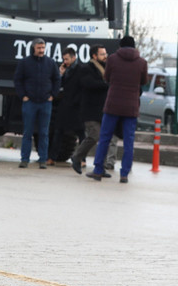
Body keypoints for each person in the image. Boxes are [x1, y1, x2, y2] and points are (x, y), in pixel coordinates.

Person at [86, 36, 147, 183]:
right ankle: (124, 174)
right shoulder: (142, 62)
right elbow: (143, 81)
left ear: (121, 46)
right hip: (131, 107)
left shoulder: (112, 59)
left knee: (105, 138)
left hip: (112, 104)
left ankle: (98, 170)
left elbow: (106, 78)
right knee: (129, 141)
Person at [13, 37, 60, 169]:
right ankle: (24, 159)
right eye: (39, 48)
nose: (41, 50)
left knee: (44, 132)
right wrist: (23, 95)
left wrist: (53, 95)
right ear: (33, 48)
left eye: (43, 48)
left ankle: (43, 160)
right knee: (27, 132)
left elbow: (57, 79)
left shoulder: (50, 63)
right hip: (30, 102)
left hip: (45, 102)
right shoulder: (25, 63)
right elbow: (18, 80)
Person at [71, 44, 117, 175]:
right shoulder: (87, 69)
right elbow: (88, 83)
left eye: (106, 54)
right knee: (94, 135)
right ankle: (77, 156)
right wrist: (106, 85)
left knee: (105, 138)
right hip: (90, 110)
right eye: (102, 54)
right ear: (94, 56)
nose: (105, 56)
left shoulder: (107, 69)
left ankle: (100, 167)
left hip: (104, 110)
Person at [47, 47, 83, 165]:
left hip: (76, 105)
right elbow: (59, 85)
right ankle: (52, 157)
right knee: (58, 131)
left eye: (67, 59)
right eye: (64, 59)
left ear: (74, 58)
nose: (65, 62)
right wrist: (60, 74)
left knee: (81, 133)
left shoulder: (80, 69)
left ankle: (82, 159)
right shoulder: (66, 70)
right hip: (66, 104)